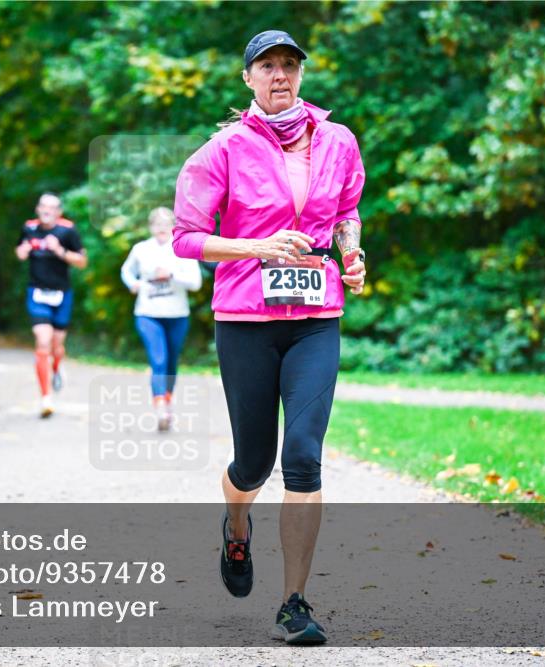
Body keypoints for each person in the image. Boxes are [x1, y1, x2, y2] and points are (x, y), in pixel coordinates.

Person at [172, 30, 367, 645]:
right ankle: (236, 525)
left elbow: (346, 213)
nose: (280, 75)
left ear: (301, 74)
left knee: (303, 457)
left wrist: (353, 253)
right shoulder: (222, 149)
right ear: (248, 78)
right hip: (245, 321)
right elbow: (186, 238)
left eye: (290, 65)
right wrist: (256, 246)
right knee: (253, 461)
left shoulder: (338, 140)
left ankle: (295, 603)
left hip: (316, 319)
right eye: (267, 66)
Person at [120, 206, 202, 431]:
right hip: (148, 313)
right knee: (158, 360)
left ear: (173, 226)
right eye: (157, 224)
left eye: (166, 224)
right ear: (151, 227)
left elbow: (195, 283)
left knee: (171, 363)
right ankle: (160, 409)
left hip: (177, 315)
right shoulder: (141, 249)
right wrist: (132, 283)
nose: (162, 228)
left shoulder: (182, 249)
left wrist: (172, 275)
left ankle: (167, 400)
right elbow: (126, 271)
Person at [15, 192, 88, 418]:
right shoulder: (29, 229)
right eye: (43, 207)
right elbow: (19, 252)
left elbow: (82, 261)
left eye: (52, 207)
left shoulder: (68, 231)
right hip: (36, 293)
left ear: (58, 212)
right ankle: (46, 398)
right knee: (43, 341)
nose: (47, 211)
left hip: (61, 295)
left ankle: (56, 366)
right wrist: (23, 251)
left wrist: (60, 251)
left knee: (57, 346)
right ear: (37, 210)